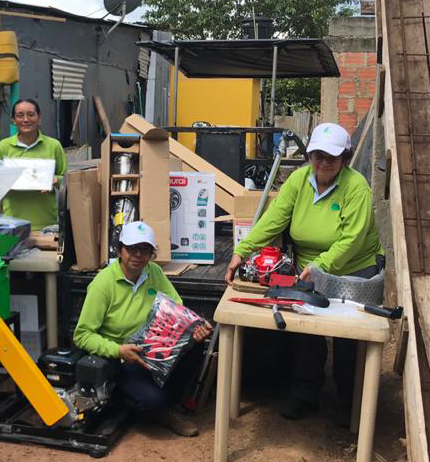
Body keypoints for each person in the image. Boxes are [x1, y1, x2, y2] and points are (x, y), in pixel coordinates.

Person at [224, 122, 383, 422]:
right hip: (309, 268)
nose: (324, 162)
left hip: (354, 270)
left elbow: (351, 240)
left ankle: (350, 403)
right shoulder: (298, 180)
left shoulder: (356, 187)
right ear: (309, 155)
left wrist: (320, 266)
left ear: (344, 158)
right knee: (306, 332)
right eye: (318, 155)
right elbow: (273, 220)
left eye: (332, 157)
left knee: (348, 337)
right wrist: (241, 252)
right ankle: (305, 394)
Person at [74, 221, 212, 437]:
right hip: (121, 358)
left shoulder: (153, 272)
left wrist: (195, 325)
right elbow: (82, 335)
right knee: (151, 401)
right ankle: (128, 400)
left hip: (154, 349)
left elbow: (177, 307)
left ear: (151, 254)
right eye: (132, 248)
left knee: (194, 342)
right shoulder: (103, 284)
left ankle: (166, 406)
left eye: (145, 249)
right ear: (120, 249)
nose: (138, 255)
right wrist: (118, 350)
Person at [0, 99, 67, 231]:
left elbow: (67, 181)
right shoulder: (4, 147)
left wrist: (55, 180)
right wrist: (4, 183)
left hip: (46, 222)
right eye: (20, 115)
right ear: (13, 120)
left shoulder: (53, 146)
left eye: (31, 114)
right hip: (12, 222)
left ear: (39, 118)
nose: (26, 120)